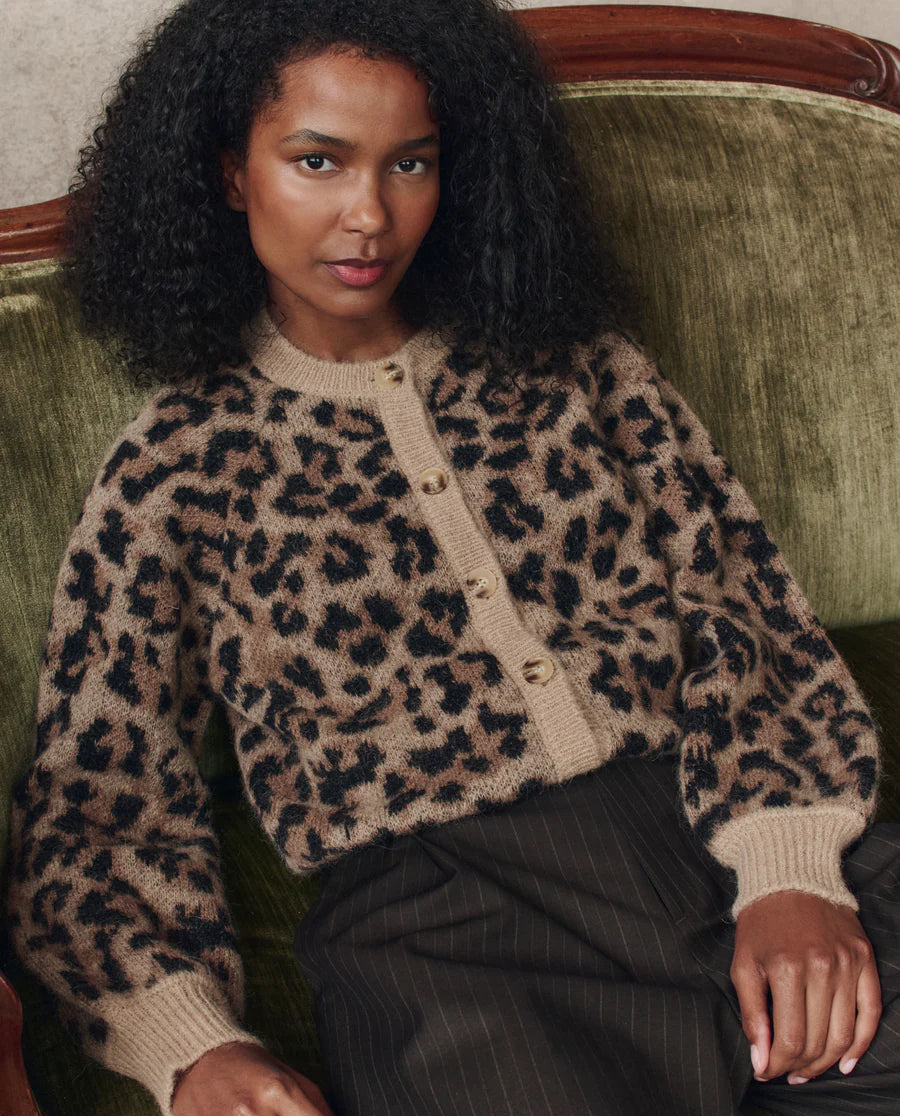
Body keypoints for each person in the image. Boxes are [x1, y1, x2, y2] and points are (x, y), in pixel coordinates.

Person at [6, 0, 899, 1114]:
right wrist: (188, 1045)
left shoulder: (574, 366)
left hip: (704, 828)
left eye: (410, 163)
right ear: (233, 174)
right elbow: (103, 794)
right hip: (444, 936)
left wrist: (791, 867)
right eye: (318, 160)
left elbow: (741, 601)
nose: (369, 213)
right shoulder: (175, 470)